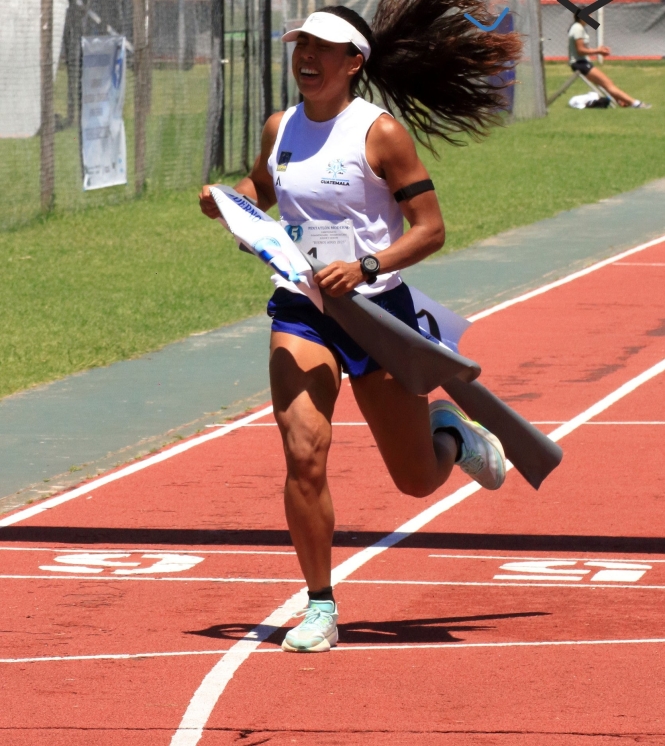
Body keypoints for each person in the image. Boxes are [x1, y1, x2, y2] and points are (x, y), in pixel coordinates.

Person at [199, 1, 520, 653]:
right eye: (301, 45)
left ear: (353, 62)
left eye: (322, 47)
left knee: (415, 480)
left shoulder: (380, 134)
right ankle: (320, 605)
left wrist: (367, 264)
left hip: (376, 316)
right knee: (303, 453)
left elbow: (431, 229)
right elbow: (261, 188)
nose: (306, 56)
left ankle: (450, 435)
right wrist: (227, 201)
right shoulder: (280, 127)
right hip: (302, 310)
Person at [568, 11, 651, 109]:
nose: (591, 17)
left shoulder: (580, 28)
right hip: (580, 63)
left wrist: (599, 51)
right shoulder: (578, 28)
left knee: (606, 83)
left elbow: (582, 49)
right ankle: (636, 104)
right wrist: (598, 51)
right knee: (608, 84)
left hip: (582, 62)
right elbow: (580, 50)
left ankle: (619, 100)